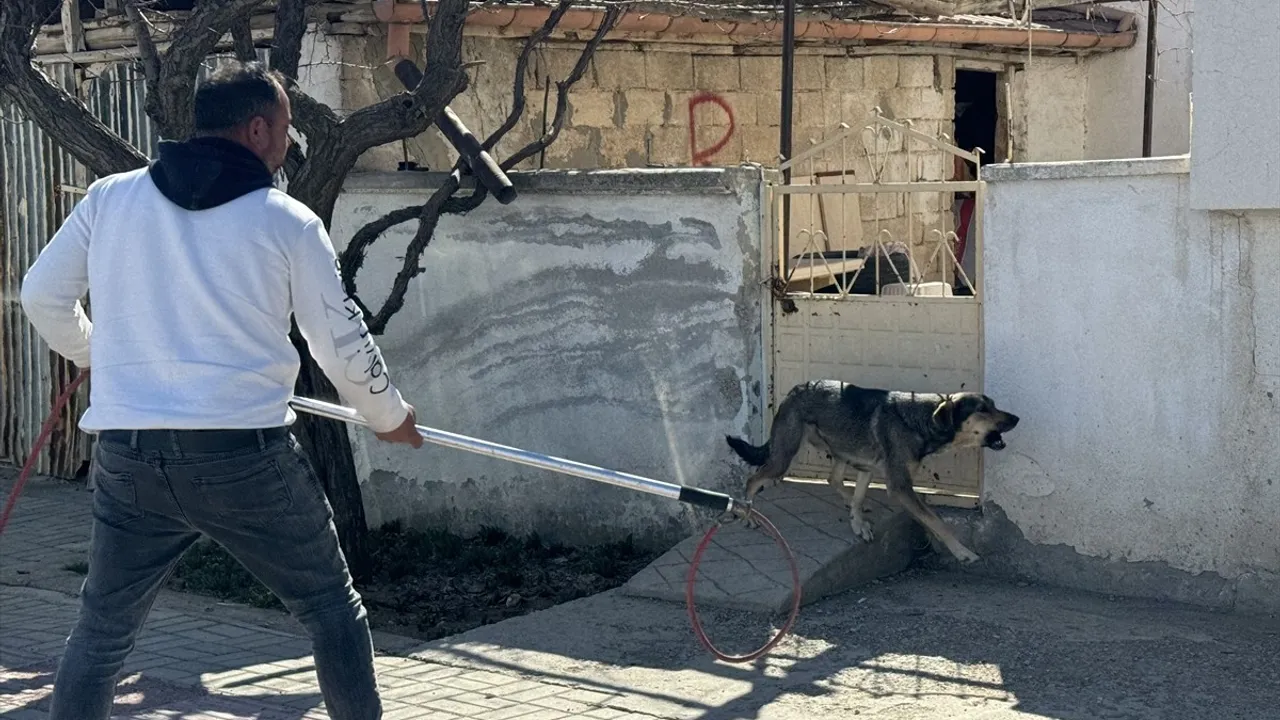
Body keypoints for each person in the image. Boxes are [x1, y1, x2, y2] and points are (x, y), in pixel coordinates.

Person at [19, 60, 421, 720]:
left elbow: (41, 296)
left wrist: (108, 358)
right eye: (288, 129)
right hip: (243, 460)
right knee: (330, 609)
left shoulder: (111, 199)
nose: (292, 145)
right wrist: (389, 416)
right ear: (259, 129)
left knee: (102, 631)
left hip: (130, 458)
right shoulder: (287, 222)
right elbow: (340, 345)